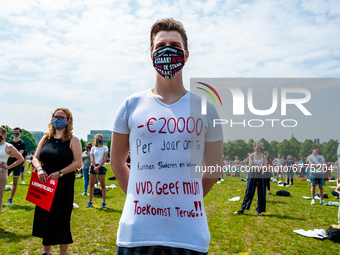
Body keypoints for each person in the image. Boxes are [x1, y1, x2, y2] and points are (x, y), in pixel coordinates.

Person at [110, 18, 223, 254]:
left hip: (189, 235)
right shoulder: (130, 105)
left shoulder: (206, 108)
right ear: (151, 54)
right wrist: (137, 196)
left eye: (175, 45)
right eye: (160, 46)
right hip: (136, 233)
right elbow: (117, 162)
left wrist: (184, 198)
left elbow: (213, 169)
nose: (167, 50)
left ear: (186, 54)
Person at [32, 108, 82, 255]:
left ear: (68, 121)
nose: (58, 119)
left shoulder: (73, 140)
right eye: (56, 116)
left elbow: (78, 162)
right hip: (44, 183)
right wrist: (39, 169)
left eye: (62, 117)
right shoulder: (45, 138)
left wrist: (59, 173)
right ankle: (46, 252)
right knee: (45, 216)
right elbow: (35, 157)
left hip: (63, 184)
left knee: (62, 218)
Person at [235, 141, 267, 216]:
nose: (259, 147)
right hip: (253, 174)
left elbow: (265, 166)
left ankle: (259, 210)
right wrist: (260, 167)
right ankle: (243, 208)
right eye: (257, 146)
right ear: (254, 147)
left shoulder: (263, 156)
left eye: (260, 146)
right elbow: (251, 165)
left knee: (261, 192)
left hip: (261, 175)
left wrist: (259, 167)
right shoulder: (251, 156)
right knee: (249, 191)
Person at [0, 125, 24, 216]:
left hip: (1, 172)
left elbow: (21, 159)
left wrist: (8, 167)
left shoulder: (9, 146)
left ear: (4, 135)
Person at [86, 134, 108, 209]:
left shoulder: (105, 148)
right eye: (97, 139)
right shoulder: (93, 148)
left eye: (99, 139)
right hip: (93, 166)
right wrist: (95, 167)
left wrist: (98, 167)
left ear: (102, 139)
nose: (98, 141)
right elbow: (91, 158)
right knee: (91, 185)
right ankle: (90, 201)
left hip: (101, 167)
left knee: (103, 185)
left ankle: (104, 202)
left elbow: (104, 159)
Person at [7, 127, 26, 205]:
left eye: (17, 132)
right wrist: (14, 154)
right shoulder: (9, 143)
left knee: (15, 182)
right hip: (8, 163)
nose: (16, 133)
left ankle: (10, 198)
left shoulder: (22, 143)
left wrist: (13, 154)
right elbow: (8, 154)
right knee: (3, 179)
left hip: (18, 164)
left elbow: (19, 155)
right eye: (14, 131)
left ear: (20, 133)